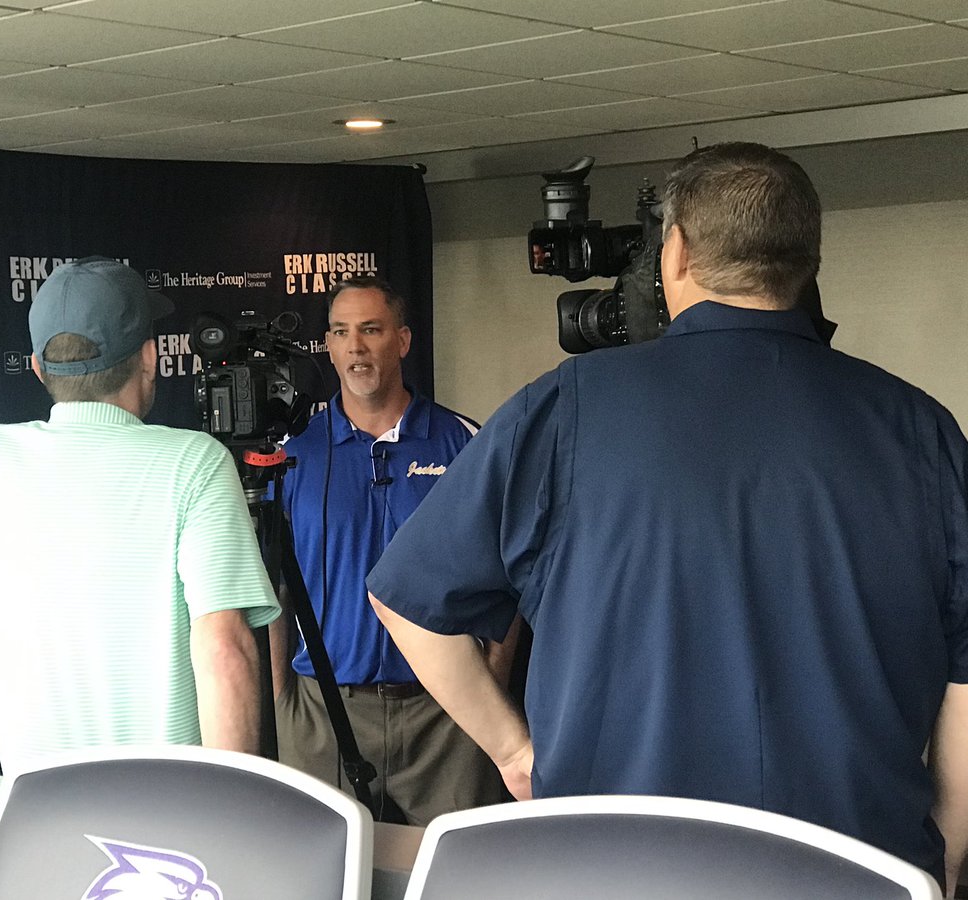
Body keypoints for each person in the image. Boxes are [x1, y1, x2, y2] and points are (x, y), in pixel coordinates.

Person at [366, 143, 968, 888]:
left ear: (675, 252)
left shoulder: (565, 409)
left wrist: (515, 754)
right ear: (806, 262)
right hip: (858, 867)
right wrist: (937, 857)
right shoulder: (922, 430)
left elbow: (407, 603)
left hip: (612, 866)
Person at [0, 256, 279, 773]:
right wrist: (228, 820)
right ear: (149, 357)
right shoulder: (194, 463)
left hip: (31, 825)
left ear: (37, 367)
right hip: (167, 828)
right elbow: (225, 653)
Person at [272, 275, 513, 824]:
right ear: (328, 348)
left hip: (445, 716)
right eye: (341, 332)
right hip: (323, 711)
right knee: (327, 877)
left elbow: (509, 580)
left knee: (451, 874)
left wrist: (488, 688)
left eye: (371, 330)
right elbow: (274, 587)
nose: (355, 346)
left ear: (402, 341)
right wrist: (285, 698)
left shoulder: (464, 443)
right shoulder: (292, 456)